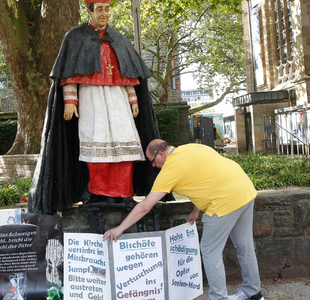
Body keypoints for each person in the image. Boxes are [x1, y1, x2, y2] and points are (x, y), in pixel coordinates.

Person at [28, 0, 159, 214]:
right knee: (95, 144)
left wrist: (133, 99)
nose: (104, 14)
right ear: (89, 11)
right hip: (90, 98)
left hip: (118, 100)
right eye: (99, 9)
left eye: (107, 9)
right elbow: (69, 72)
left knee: (125, 145)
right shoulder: (75, 36)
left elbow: (128, 72)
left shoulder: (118, 37)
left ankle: (124, 192)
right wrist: (70, 101)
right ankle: (97, 192)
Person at [103, 140, 264, 300]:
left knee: (210, 252)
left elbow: (145, 206)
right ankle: (253, 293)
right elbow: (205, 179)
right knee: (245, 245)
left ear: (161, 154)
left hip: (224, 202)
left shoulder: (171, 168)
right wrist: (196, 210)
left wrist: (120, 228)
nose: (153, 166)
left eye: (152, 161)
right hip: (244, 190)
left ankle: (218, 298)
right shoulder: (191, 148)